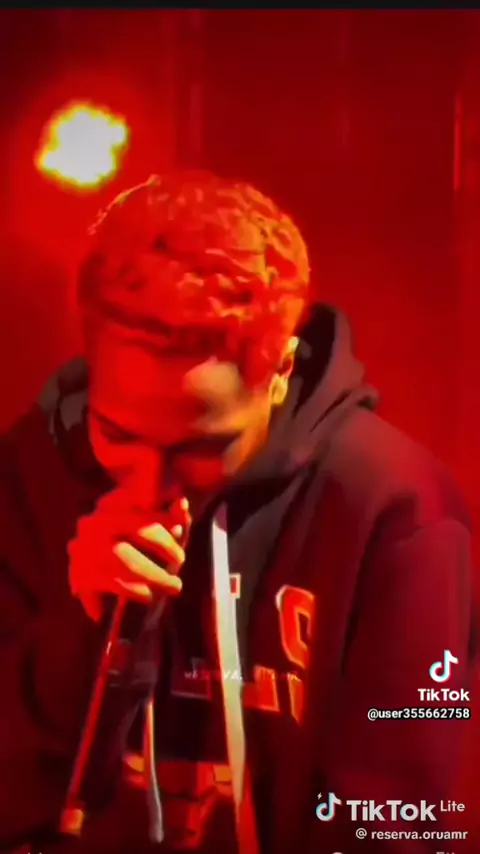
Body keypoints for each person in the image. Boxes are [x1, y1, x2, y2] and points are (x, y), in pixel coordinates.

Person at [0, 170, 475, 854]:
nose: (151, 486)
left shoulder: (398, 509)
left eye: (201, 447)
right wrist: (83, 642)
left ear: (279, 372)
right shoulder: (27, 478)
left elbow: (402, 823)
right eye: (118, 435)